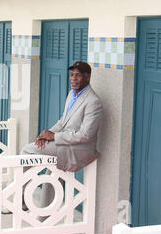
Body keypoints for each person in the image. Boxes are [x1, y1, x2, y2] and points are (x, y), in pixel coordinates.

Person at [17, 61, 103, 211]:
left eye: (78, 76)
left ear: (88, 78)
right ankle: (45, 217)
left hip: (78, 150)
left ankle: (22, 195)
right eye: (72, 75)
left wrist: (54, 137)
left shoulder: (93, 102)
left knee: (26, 150)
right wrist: (46, 134)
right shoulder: (72, 94)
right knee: (52, 176)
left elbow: (86, 135)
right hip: (65, 144)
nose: (73, 79)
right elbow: (62, 122)